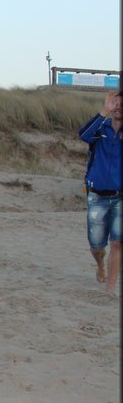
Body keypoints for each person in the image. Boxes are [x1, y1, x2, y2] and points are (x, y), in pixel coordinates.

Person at [78, 90, 122, 294]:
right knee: (97, 246)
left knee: (117, 243)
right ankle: (100, 265)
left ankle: (110, 289)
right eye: (115, 102)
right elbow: (83, 135)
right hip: (97, 195)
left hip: (120, 197)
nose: (118, 106)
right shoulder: (101, 127)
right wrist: (104, 112)